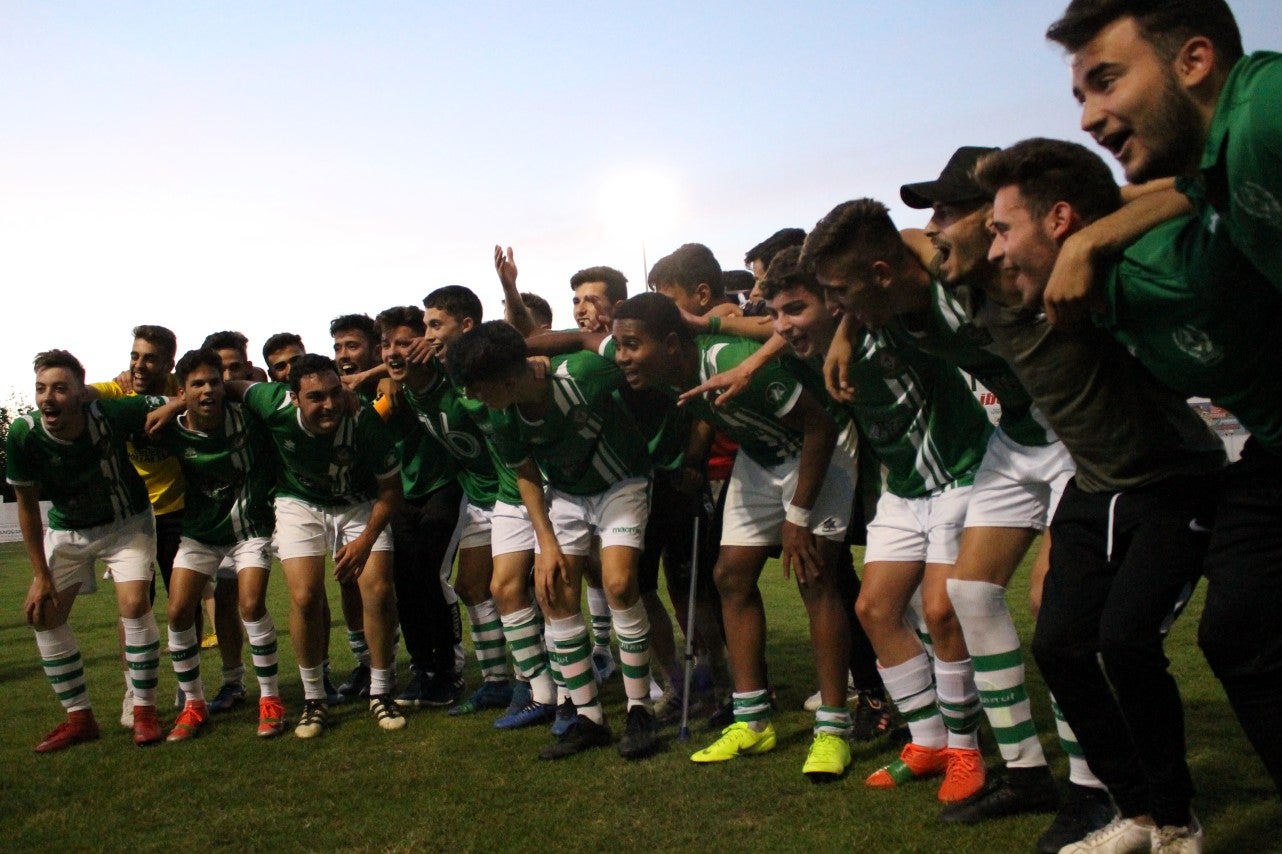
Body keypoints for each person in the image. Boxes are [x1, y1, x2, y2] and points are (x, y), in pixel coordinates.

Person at [1047, 0, 1282, 802]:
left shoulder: (1265, 111)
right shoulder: (1216, 168)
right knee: (1239, 629)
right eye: (1080, 94)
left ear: (1194, 61)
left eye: (1107, 81)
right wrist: (1092, 237)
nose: (1089, 116)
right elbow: (1185, 187)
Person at [976, 137, 1228, 852]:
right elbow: (908, 245)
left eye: (1001, 228)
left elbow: (1199, 185)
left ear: (1058, 219)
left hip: (1174, 481)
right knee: (1059, 646)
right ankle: (1138, 813)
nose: (994, 249)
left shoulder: (1134, 264)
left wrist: (1091, 241)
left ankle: (1175, 820)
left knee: (1126, 643)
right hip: (1094, 488)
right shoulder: (990, 285)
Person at [894, 147, 1109, 836]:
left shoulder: (1048, 266)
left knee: (1056, 604)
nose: (934, 226)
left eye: (948, 210)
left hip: (1080, 436)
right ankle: (1024, 773)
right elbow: (905, 239)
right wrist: (841, 335)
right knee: (969, 592)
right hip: (1017, 437)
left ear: (998, 218)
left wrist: (1089, 244)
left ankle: (1092, 783)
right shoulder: (956, 277)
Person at [612, 284, 855, 781]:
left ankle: (834, 728)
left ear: (672, 345)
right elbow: (580, 340)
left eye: (631, 345)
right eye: (618, 345)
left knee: (814, 576)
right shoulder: (661, 368)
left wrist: (797, 516)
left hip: (819, 450)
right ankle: (752, 721)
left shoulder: (728, 358)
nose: (621, 356)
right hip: (762, 456)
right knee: (729, 576)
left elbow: (820, 427)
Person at [449, 320, 659, 760]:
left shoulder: (582, 373)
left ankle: (640, 709)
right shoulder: (502, 412)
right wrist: (545, 544)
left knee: (619, 582)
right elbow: (526, 473)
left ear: (507, 379)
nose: (471, 396)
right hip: (565, 494)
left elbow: (638, 364)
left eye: (477, 387)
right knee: (554, 591)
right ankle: (588, 716)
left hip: (621, 483)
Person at [235, 353, 406, 738]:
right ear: (293, 397)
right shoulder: (273, 403)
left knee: (378, 590)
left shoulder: (362, 419)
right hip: (300, 502)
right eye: (315, 397)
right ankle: (314, 699)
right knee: (305, 596)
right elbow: (234, 387)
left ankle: (381, 690)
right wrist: (176, 404)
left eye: (334, 392)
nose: (329, 404)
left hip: (359, 503)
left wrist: (365, 541)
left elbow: (391, 490)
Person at [8, 350, 167, 750]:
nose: (48, 398)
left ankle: (144, 712)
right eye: (41, 389)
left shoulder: (112, 414)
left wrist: (173, 404)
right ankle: (79, 718)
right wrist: (41, 576)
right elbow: (26, 507)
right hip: (68, 530)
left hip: (126, 523)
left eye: (60, 389)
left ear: (82, 393)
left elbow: (177, 401)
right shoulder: (24, 434)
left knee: (134, 604)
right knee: (43, 614)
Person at [148, 348, 285, 740]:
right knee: (178, 611)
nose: (208, 390)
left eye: (214, 382)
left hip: (249, 529)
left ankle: (271, 700)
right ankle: (194, 704)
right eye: (197, 384)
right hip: (200, 534)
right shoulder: (171, 428)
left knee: (251, 605)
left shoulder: (248, 418)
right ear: (182, 391)